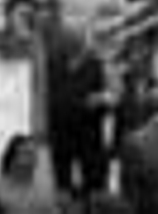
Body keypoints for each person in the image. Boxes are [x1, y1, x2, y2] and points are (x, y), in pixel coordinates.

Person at [47, 19, 112, 200]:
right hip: (61, 136)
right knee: (62, 187)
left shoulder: (96, 64)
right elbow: (51, 96)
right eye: (67, 37)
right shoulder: (53, 62)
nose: (70, 42)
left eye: (76, 37)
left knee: (92, 187)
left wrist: (101, 100)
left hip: (89, 136)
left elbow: (109, 97)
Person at [0, 134, 60, 214]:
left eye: (33, 154)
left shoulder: (44, 189)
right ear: (12, 158)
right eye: (25, 153)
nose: (31, 159)